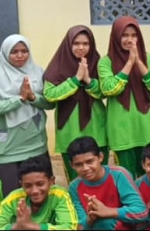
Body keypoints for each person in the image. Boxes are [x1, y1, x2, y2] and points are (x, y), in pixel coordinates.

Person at [0, 34, 55, 197]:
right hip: (5, 149)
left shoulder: (38, 72)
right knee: (9, 194)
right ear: (5, 52)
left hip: (35, 143)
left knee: (38, 193)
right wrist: (19, 99)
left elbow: (50, 103)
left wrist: (33, 97)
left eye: (24, 51)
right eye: (14, 52)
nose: (20, 55)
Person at [99, 16, 150, 178]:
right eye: (124, 35)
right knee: (126, 177)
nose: (129, 40)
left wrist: (139, 62)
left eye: (134, 35)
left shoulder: (148, 58)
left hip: (149, 129)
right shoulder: (106, 62)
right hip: (122, 132)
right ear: (116, 36)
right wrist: (129, 63)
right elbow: (110, 89)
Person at [43, 25, 108, 181]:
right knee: (76, 177)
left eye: (86, 44)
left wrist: (88, 80)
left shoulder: (98, 64)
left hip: (96, 126)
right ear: (68, 44)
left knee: (100, 173)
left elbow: (104, 92)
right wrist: (75, 79)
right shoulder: (58, 66)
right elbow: (50, 95)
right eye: (76, 43)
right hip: (69, 128)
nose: (81, 48)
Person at [67, 136, 148, 230]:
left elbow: (141, 212)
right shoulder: (74, 187)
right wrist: (90, 219)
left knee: (104, 222)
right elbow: (80, 226)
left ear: (100, 157)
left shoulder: (118, 175)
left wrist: (108, 212)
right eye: (78, 164)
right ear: (72, 165)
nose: (85, 168)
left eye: (90, 162)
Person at [0, 155, 78, 230]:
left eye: (40, 184)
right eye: (28, 186)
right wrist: (16, 227)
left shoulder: (60, 196)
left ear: (51, 181)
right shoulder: (14, 199)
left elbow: (70, 227)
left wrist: (32, 226)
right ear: (21, 184)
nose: (34, 191)